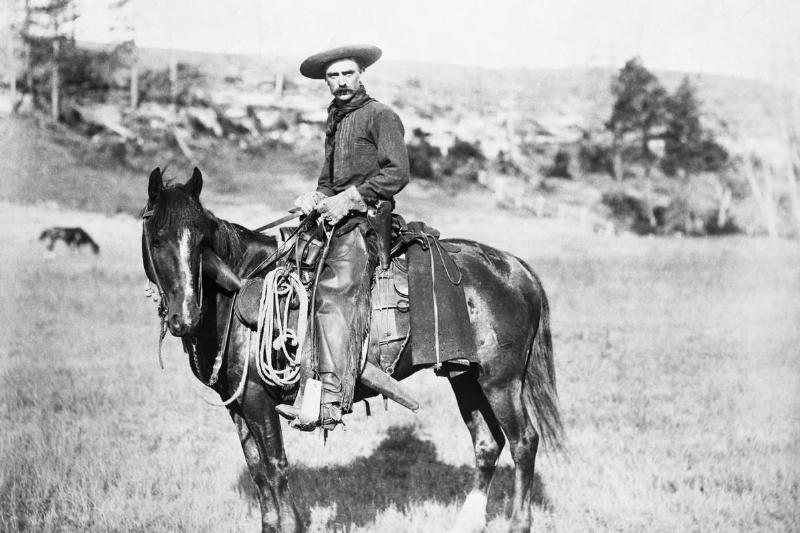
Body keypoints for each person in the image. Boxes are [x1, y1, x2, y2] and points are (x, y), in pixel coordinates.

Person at [276, 44, 409, 431]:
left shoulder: (381, 115)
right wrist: (315, 197)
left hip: (367, 221)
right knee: (286, 266)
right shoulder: (335, 118)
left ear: (361, 73)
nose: (340, 82)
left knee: (335, 292)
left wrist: (350, 199)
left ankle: (331, 398)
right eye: (332, 77)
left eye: (347, 74)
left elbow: (397, 173)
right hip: (335, 218)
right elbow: (328, 179)